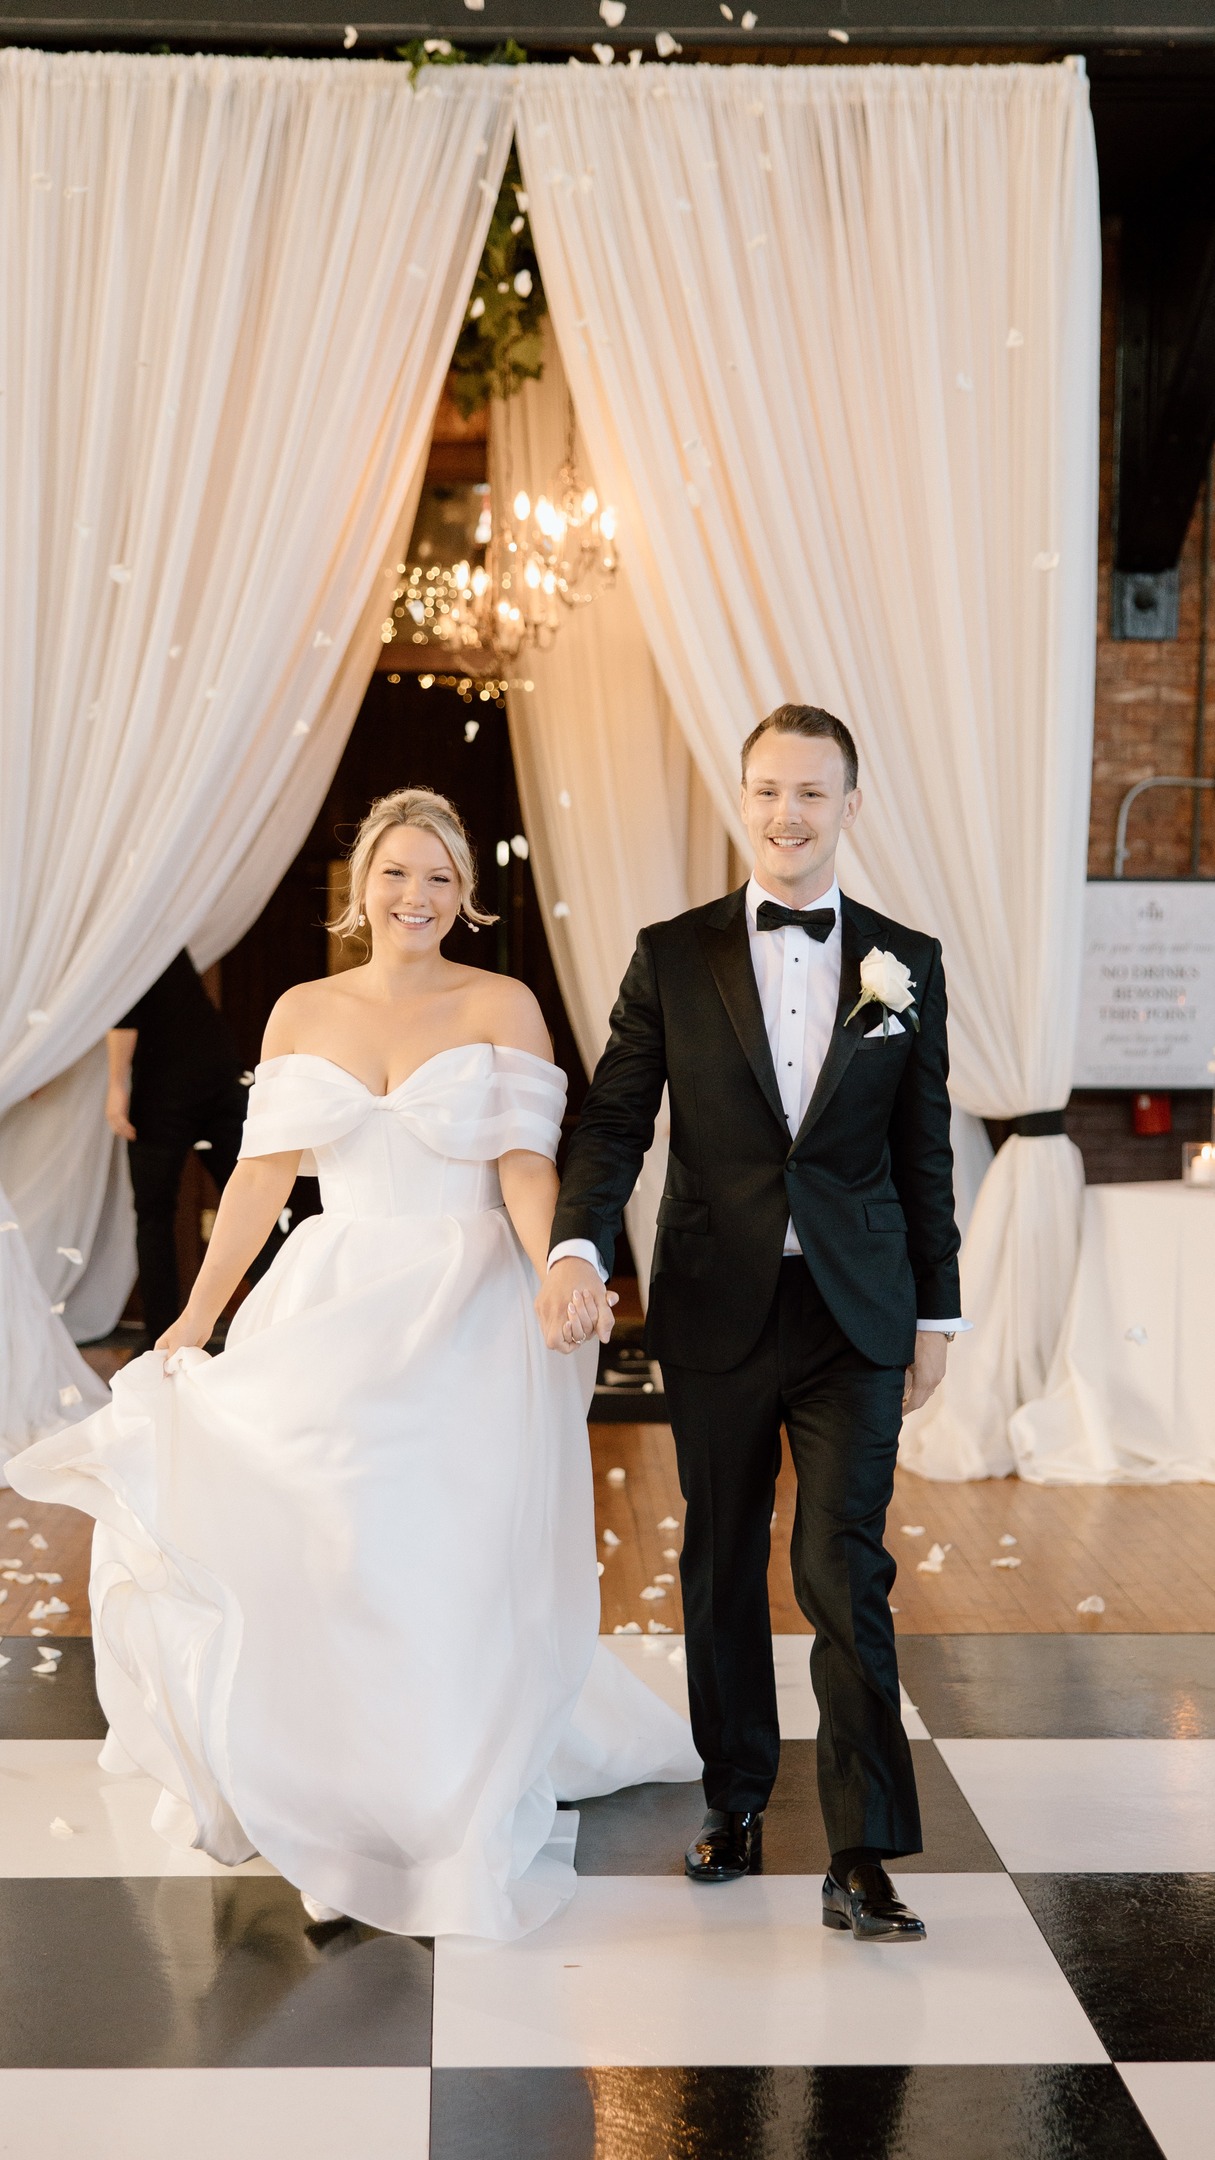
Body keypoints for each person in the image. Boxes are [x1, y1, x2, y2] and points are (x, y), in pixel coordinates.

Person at [9, 787, 698, 1940]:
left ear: (465, 895)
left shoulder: (504, 1004)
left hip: (467, 1302)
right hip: (331, 1296)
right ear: (361, 886)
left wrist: (555, 1271)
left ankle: (438, 1791)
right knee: (329, 1542)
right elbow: (260, 1178)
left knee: (437, 1554)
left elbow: (527, 1165)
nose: (414, 895)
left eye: (438, 877)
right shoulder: (301, 1011)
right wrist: (194, 1317)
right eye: (395, 872)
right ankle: (331, 1808)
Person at [537, 705, 965, 1946]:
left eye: (812, 793)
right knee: (722, 1557)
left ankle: (861, 1852)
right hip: (715, 1302)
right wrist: (577, 1245)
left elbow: (923, 1149)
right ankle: (734, 1801)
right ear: (743, 799)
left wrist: (938, 1309)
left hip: (855, 1311)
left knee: (844, 1565)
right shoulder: (671, 955)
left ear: (850, 806)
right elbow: (616, 1119)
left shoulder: (906, 961)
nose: (788, 814)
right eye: (769, 790)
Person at [105, 949, 274, 1346]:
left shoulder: (128, 941)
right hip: (218, 1075)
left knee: (156, 1215)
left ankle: (161, 1338)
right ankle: (276, 1321)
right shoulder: (164, 938)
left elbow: (125, 1016)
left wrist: (115, 1085)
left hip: (170, 1088)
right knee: (254, 1200)